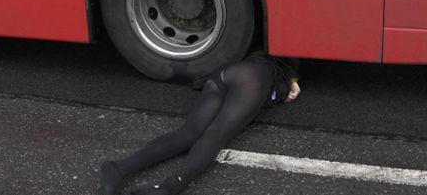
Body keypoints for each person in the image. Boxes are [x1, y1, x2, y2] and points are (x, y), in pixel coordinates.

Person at [99, 51, 301, 195]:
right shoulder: (283, 67)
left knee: (188, 134)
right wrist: (293, 82)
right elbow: (286, 65)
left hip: (225, 73)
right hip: (254, 78)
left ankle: (118, 168)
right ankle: (172, 186)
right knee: (215, 135)